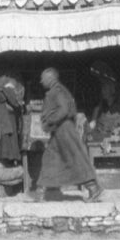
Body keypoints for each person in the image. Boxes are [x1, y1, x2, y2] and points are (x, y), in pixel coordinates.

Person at [34, 68, 101, 203]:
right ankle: (40, 191)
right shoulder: (60, 90)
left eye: (43, 78)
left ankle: (93, 188)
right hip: (60, 130)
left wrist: (50, 120)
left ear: (50, 78)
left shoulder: (57, 91)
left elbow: (64, 109)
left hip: (64, 129)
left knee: (75, 158)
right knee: (50, 158)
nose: (41, 81)